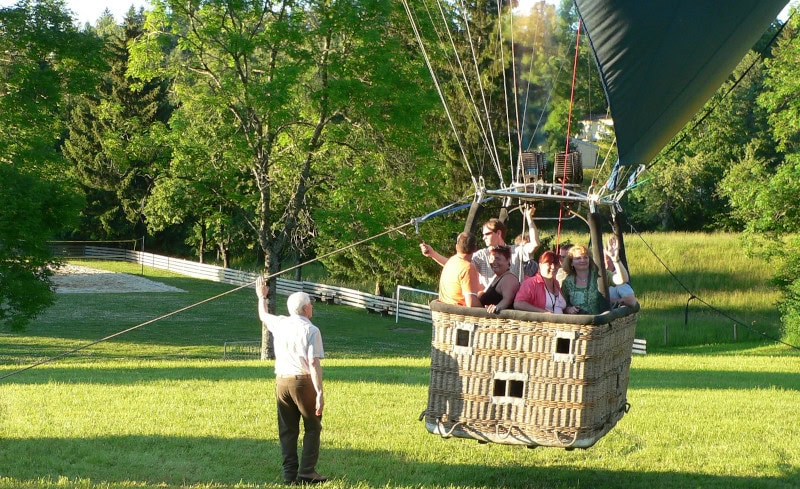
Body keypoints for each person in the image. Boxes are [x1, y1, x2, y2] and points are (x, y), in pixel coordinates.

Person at [256, 277, 328, 485]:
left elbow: (263, 315)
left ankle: (289, 475)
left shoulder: (280, 323)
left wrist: (262, 296)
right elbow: (313, 364)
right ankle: (307, 472)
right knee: (313, 427)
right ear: (306, 308)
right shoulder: (311, 330)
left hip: (281, 383)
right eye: (310, 305)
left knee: (287, 430)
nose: (312, 307)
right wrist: (320, 393)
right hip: (303, 382)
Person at [420, 206, 540, 288]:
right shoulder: (481, 256)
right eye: (482, 235)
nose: (483, 238)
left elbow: (535, 244)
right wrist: (433, 254)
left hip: (512, 308)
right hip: (488, 309)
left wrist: (529, 218)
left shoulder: (516, 251)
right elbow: (457, 265)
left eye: (487, 234)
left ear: (498, 233)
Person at [561, 242, 636, 315]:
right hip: (579, 325)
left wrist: (616, 259)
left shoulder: (600, 275)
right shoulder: (567, 282)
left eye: (585, 257)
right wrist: (569, 309)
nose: (582, 260)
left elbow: (623, 279)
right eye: (578, 258)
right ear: (571, 262)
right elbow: (563, 305)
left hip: (601, 323)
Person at [438, 232, 482, 307]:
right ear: (475, 249)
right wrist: (487, 312)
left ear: (456, 247)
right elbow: (471, 303)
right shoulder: (468, 267)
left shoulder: (451, 261)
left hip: (445, 310)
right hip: (459, 313)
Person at [478, 245, 520, 313]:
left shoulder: (509, 278)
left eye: (497, 258)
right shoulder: (496, 277)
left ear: (508, 260)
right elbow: (483, 293)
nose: (493, 262)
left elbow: (508, 299)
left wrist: (497, 307)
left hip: (501, 321)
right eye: (491, 259)